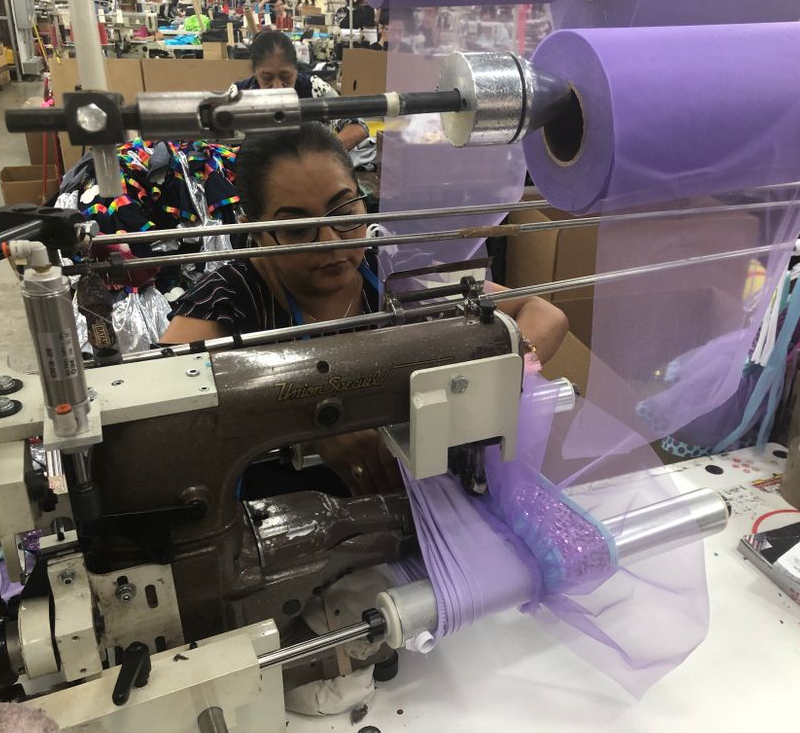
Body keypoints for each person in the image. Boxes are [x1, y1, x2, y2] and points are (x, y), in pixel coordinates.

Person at [161, 123, 569, 495]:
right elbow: (162, 425)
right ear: (255, 230)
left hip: (415, 501)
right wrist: (304, 423)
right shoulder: (227, 302)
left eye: (344, 212)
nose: (330, 241)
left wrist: (501, 373)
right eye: (297, 227)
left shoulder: (394, 267)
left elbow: (542, 313)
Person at [235, 31, 369, 151]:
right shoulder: (238, 95)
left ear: (296, 70)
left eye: (286, 77)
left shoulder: (314, 89)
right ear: (255, 73)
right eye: (266, 78)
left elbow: (358, 127)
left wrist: (322, 156)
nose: (277, 86)